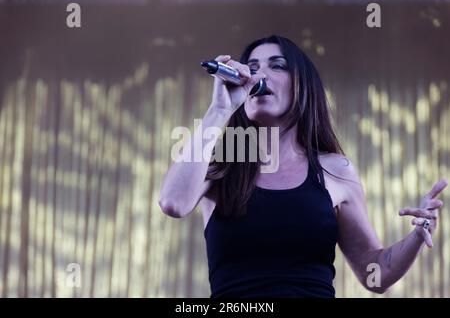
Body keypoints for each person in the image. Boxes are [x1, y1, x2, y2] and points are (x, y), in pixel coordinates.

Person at [159, 35, 448, 298]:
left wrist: (417, 234)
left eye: (277, 65)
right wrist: (219, 110)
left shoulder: (335, 170)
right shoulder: (222, 163)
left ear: (302, 86)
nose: (259, 74)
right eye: (252, 67)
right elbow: (173, 202)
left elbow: (376, 274)